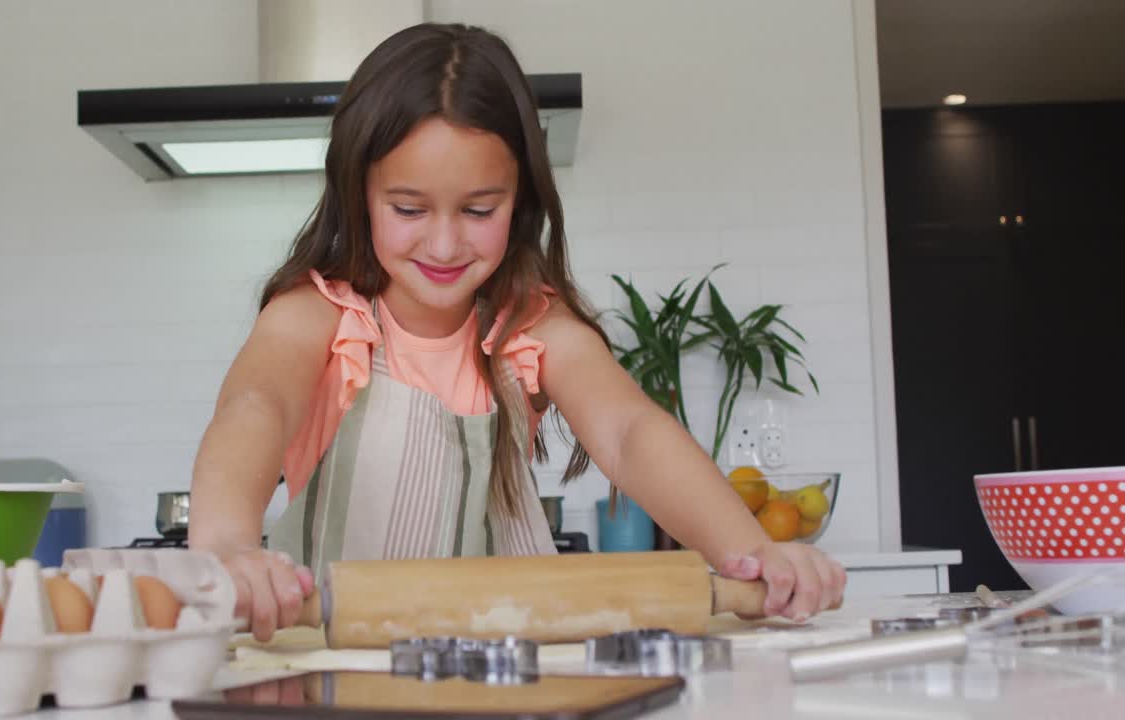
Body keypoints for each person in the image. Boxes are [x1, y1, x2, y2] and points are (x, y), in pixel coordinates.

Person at [189, 22, 846, 642]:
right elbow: (256, 406)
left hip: (504, 666)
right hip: (343, 667)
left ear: (520, 199)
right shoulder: (322, 315)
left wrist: (752, 552)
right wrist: (225, 547)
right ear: (359, 193)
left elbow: (629, 432)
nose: (444, 242)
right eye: (409, 208)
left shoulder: (531, 327)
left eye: (479, 209)